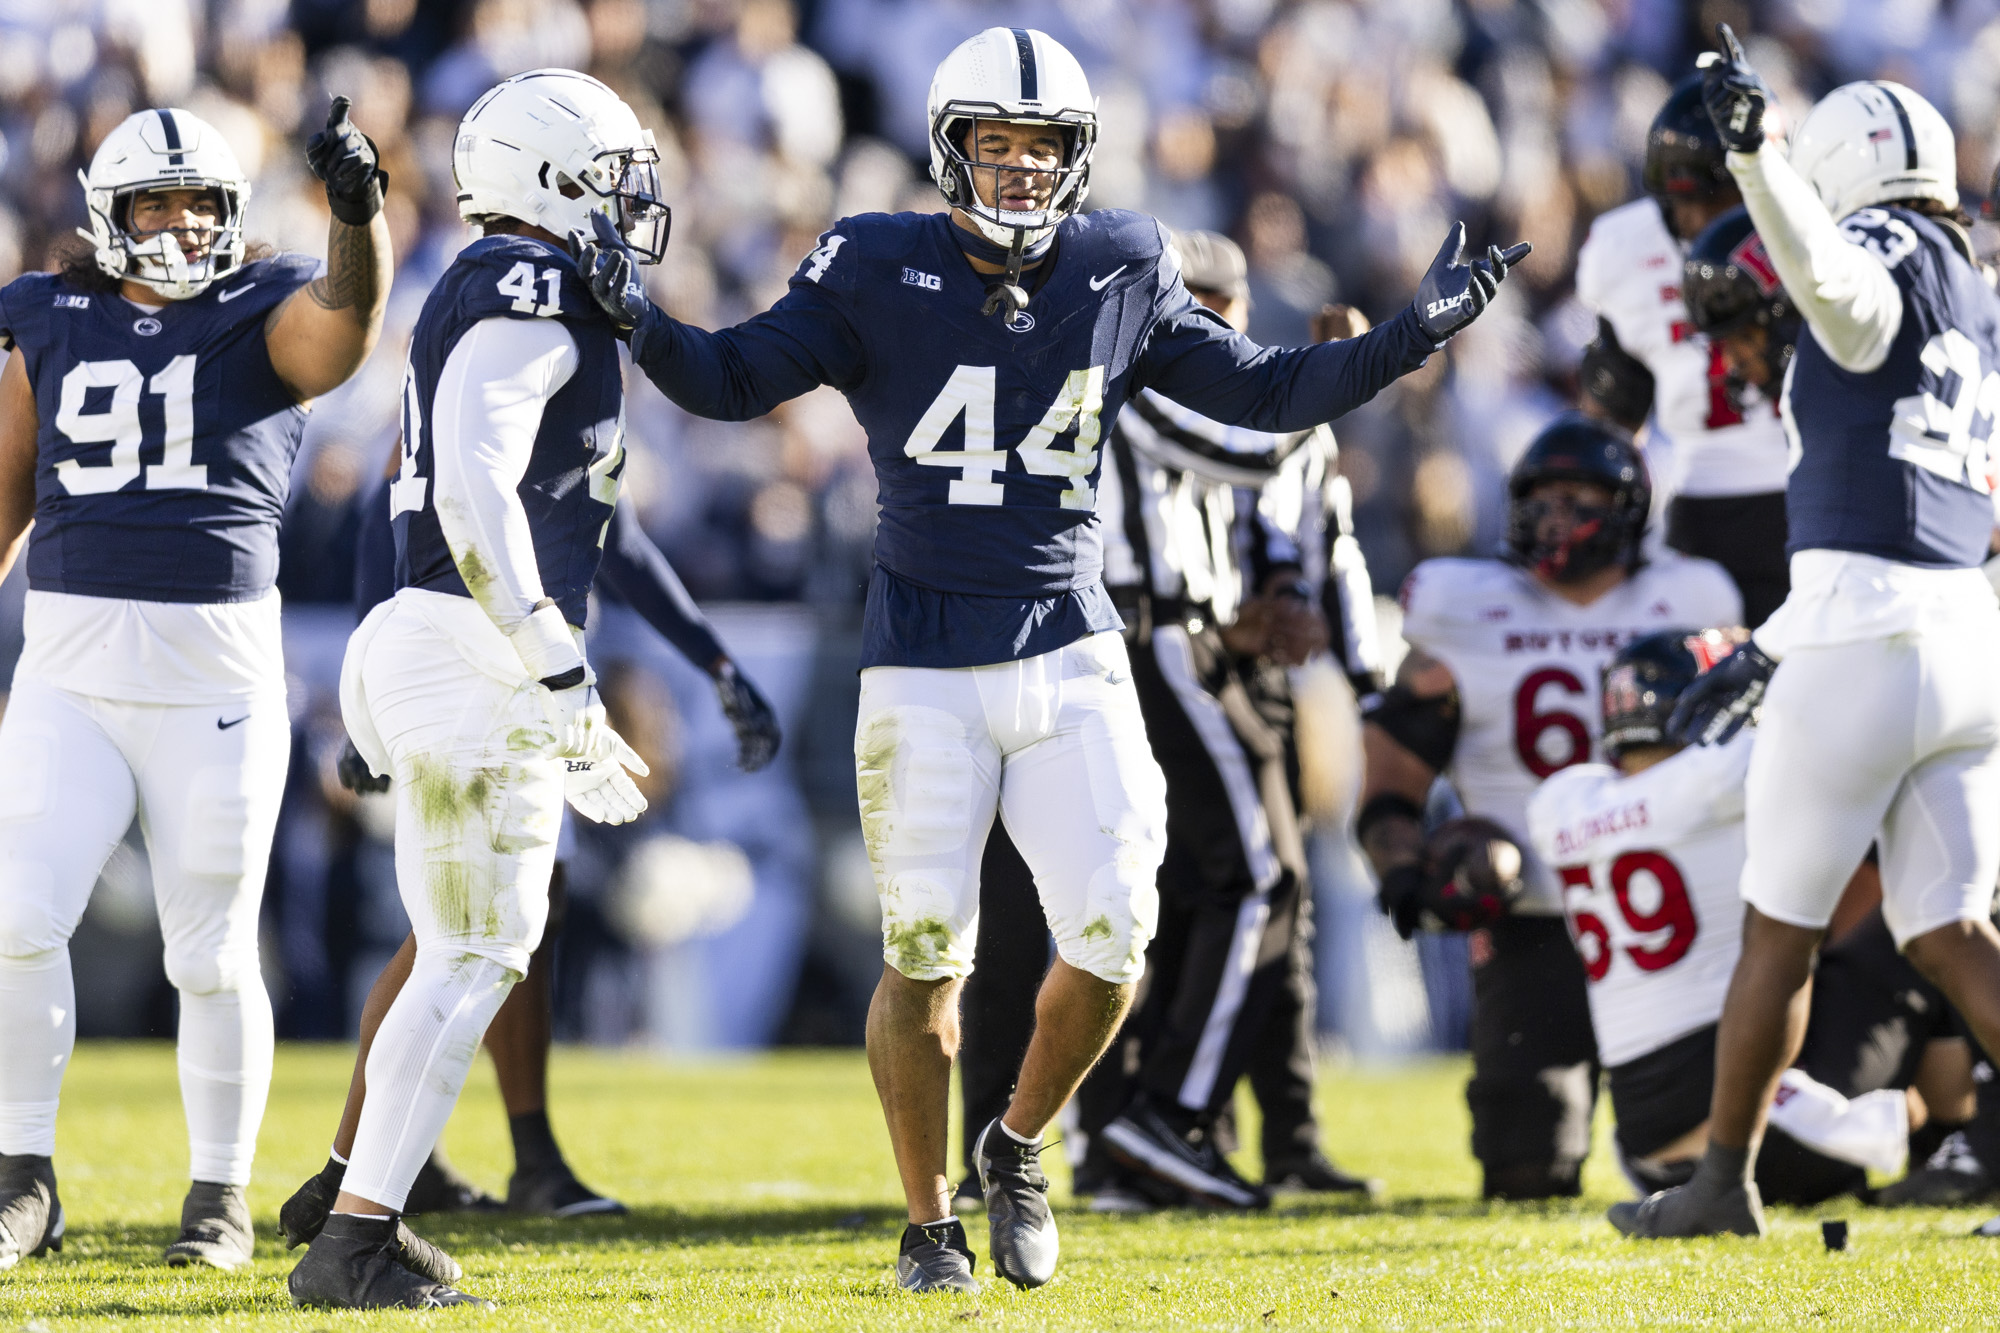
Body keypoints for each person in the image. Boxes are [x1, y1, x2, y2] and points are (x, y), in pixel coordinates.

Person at [567, 26, 1524, 1292]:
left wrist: (1413, 333)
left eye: (1043, 149)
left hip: (1071, 642)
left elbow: (1267, 391)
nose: (1019, 171)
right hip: (919, 657)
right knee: (926, 955)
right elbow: (734, 378)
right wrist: (637, 316)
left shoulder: (1122, 261)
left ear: (1079, 158)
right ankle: (927, 1222)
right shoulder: (874, 256)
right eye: (997, 145)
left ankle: (1015, 1141)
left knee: (1117, 930)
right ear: (948, 148)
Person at [283, 68, 670, 1308]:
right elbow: (469, 494)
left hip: (432, 636)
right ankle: (354, 1235)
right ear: (550, 180)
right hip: (469, 643)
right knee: (474, 954)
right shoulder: (527, 284)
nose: (626, 205)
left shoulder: (515, 285)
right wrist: (559, 669)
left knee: (467, 950)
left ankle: (356, 1212)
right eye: (608, 178)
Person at [1612, 28, 2000, 1240]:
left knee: (1772, 936)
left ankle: (1720, 1182)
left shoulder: (1867, 246)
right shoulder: (1971, 279)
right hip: (1962, 631)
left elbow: (1838, 292)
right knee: (1950, 930)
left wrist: (1753, 160)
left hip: (1862, 630)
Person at [0, 99, 391, 1270]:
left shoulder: (262, 308)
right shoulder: (45, 313)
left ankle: (216, 1194)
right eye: (155, 204)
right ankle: (23, 1176)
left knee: (211, 949)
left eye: (199, 204)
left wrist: (355, 213)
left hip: (214, 665)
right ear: (108, 216)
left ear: (232, 216)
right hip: (69, 663)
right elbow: (6, 486)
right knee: (18, 916)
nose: (177, 225)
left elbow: (349, 323)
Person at [274, 489, 781, 1238]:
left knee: (470, 929)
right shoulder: (514, 373)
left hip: (495, 662)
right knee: (467, 932)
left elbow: (618, 530)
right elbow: (411, 497)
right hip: (488, 667)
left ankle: (378, 1164)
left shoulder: (534, 383)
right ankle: (384, 1171)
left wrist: (712, 656)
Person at [1357, 414, 1740, 1200]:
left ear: (1630, 506)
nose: (1558, 513)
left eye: (1581, 494)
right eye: (1544, 493)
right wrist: (1404, 866)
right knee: (1526, 1165)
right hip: (1530, 912)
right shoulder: (1462, 602)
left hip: (1670, 913)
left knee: (1687, 1161)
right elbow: (1394, 762)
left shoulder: (1692, 594)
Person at [1086, 230, 1376, 1211]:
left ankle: (1159, 1132)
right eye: (1191, 302)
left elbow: (1283, 503)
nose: (1209, 322)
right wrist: (1336, 375)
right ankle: (1157, 1119)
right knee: (1249, 873)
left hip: (1196, 639)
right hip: (1148, 637)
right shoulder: (1143, 373)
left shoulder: (1161, 371)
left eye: (1224, 303)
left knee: (1218, 886)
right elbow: (1250, 444)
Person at [1528, 631, 1968, 1204]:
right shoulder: (1727, 775)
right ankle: (1965, 1142)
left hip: (1649, 1151)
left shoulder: (1563, 801)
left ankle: (1948, 1140)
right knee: (1937, 911)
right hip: (1767, 1137)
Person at [1575, 74, 1792, 626]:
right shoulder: (1626, 247)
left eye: (1721, 193)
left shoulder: (1815, 229)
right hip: (1701, 514)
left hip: (1815, 497)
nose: (1699, 218)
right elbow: (1613, 415)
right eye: (1686, 196)